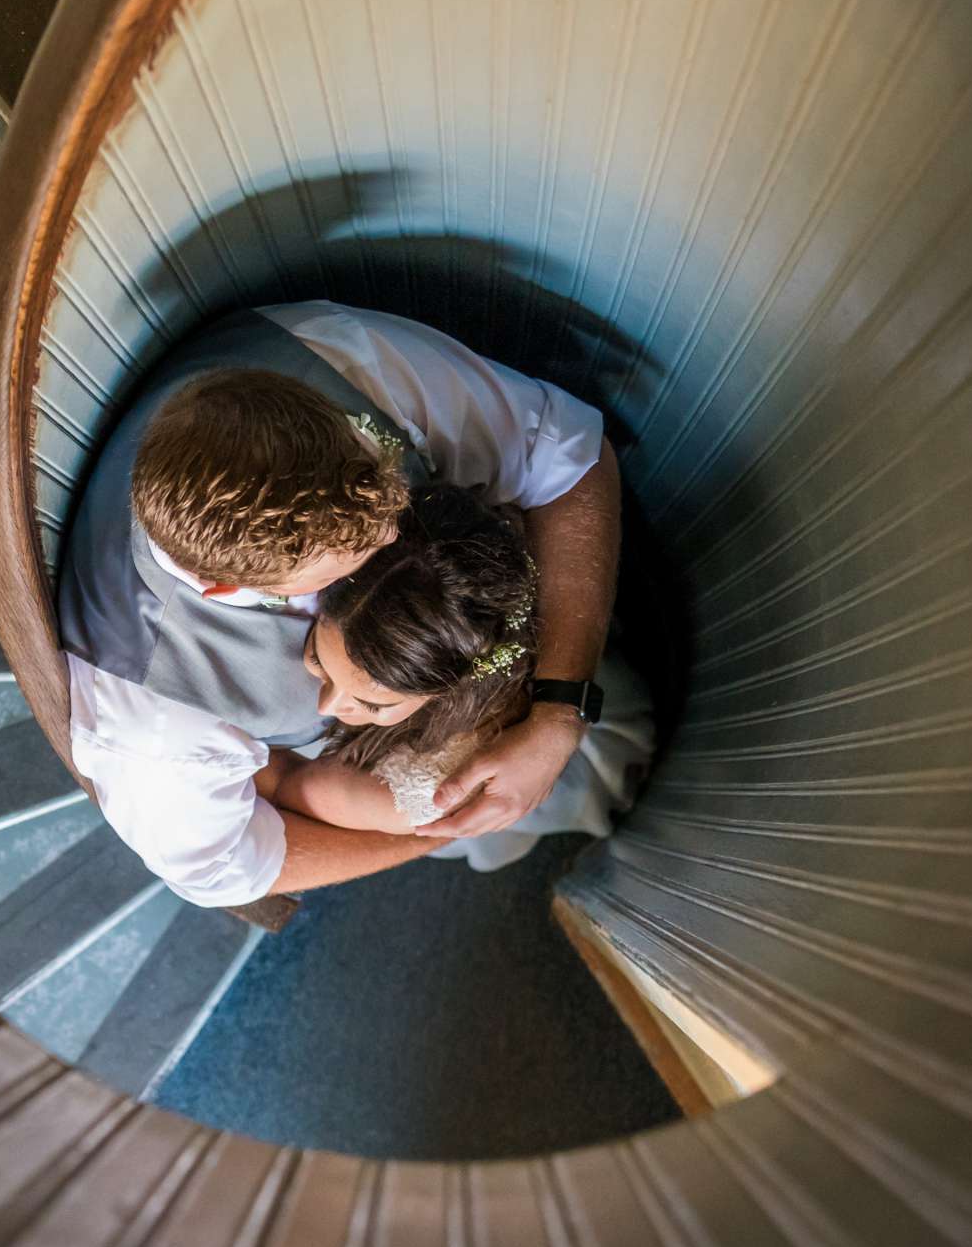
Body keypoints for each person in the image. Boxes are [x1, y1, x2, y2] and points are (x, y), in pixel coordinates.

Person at [57, 300, 623, 909]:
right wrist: (431, 835)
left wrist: (559, 712)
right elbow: (224, 871)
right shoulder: (156, 722)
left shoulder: (333, 362)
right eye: (355, 556)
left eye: (387, 509)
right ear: (225, 587)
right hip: (324, 761)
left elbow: (569, 452)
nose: (393, 537)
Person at [261, 484, 652, 870]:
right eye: (317, 656)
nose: (326, 705)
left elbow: (282, 787)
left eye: (372, 703)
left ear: (446, 690)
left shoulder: (422, 792)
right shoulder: (466, 580)